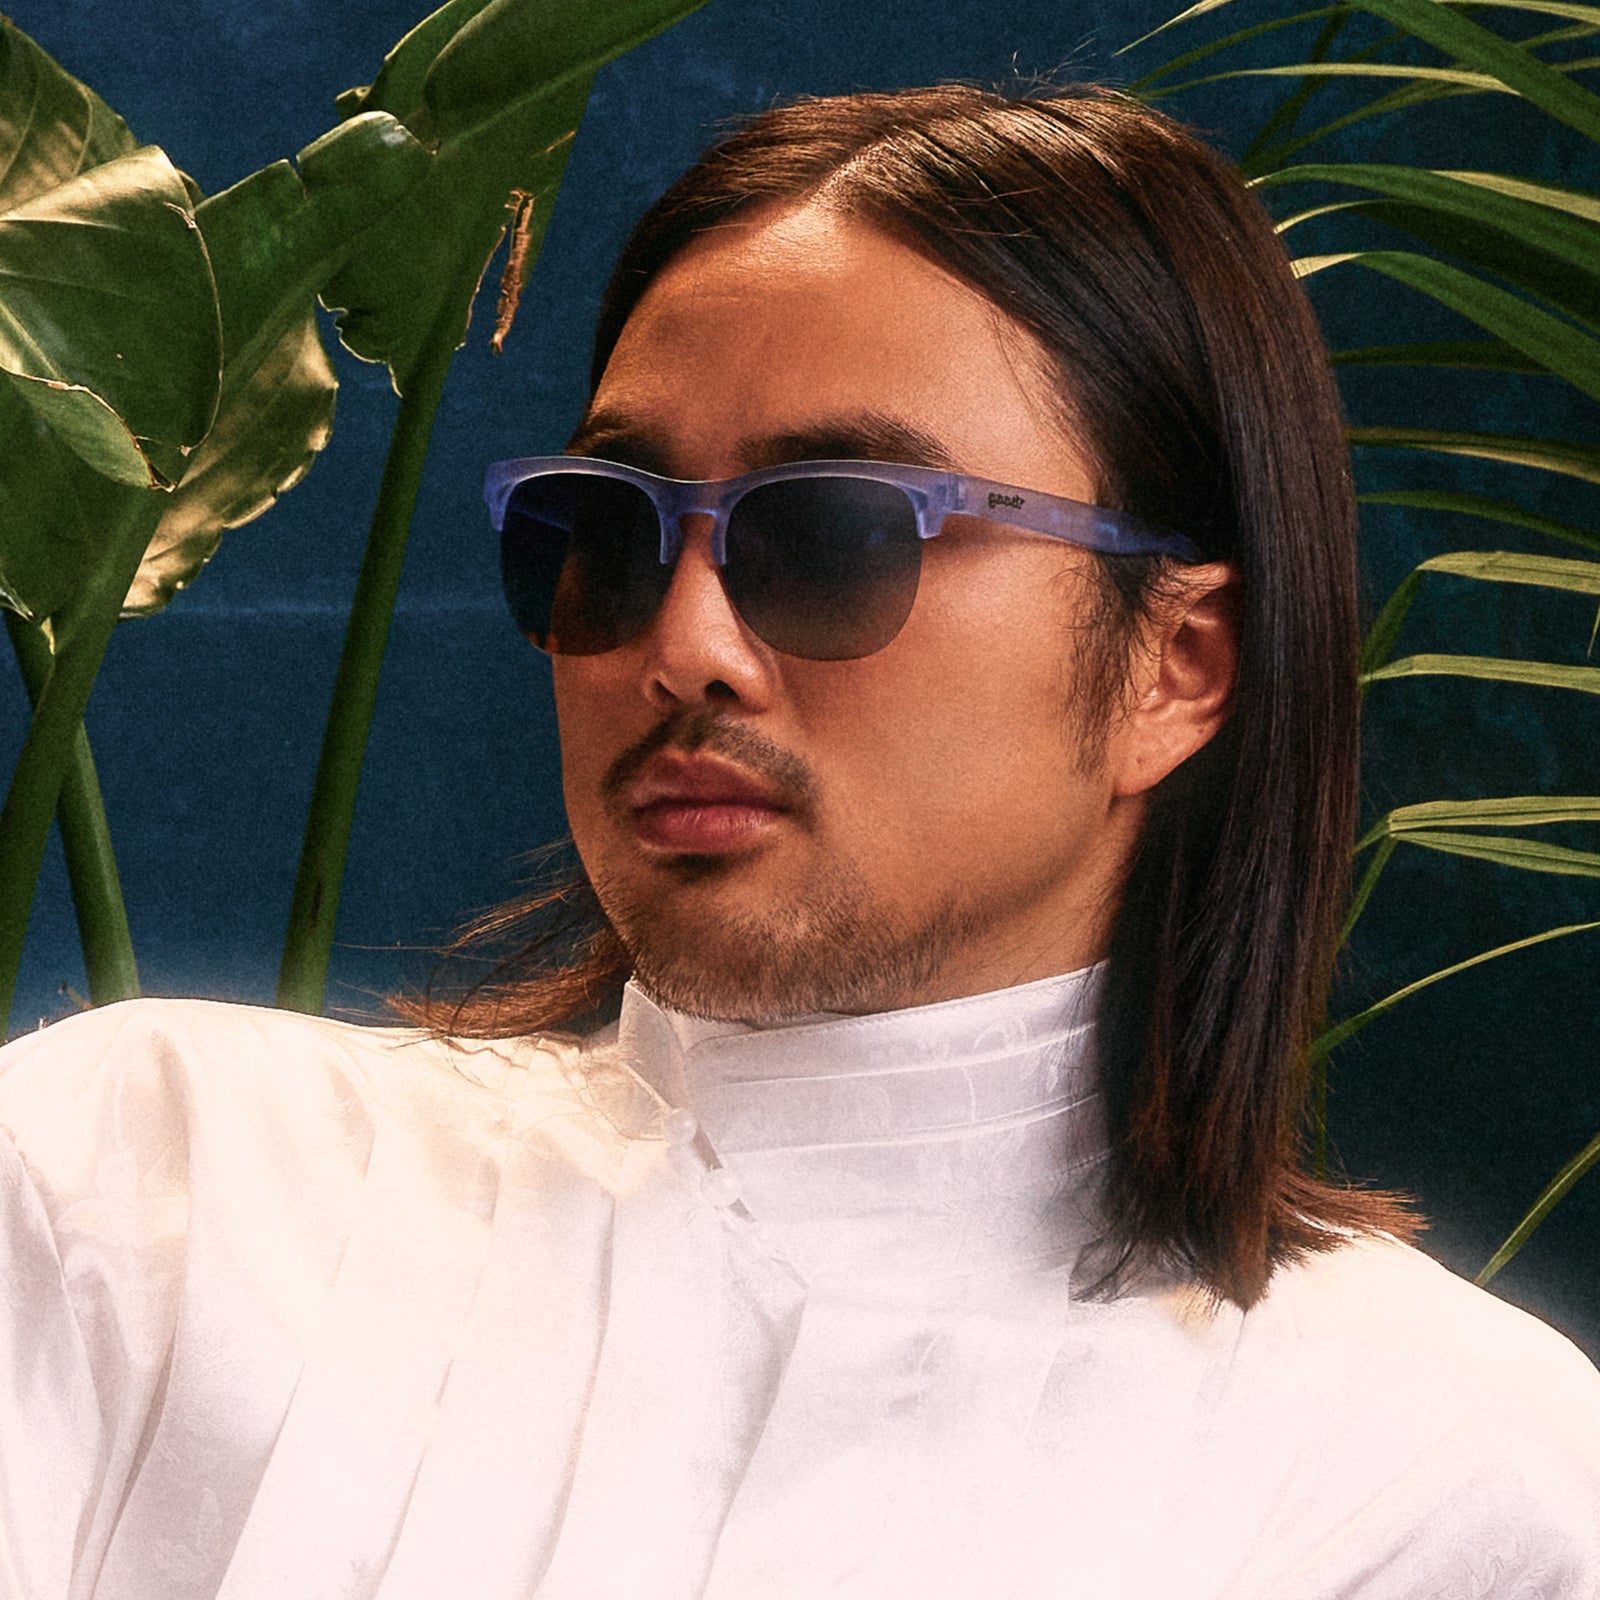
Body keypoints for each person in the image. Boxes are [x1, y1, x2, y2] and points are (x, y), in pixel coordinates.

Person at [2, 82, 1597, 1600]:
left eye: (835, 535)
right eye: (606, 533)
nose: (684, 646)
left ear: (1174, 667)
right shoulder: (150, 1194)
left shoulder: (1441, 1479)